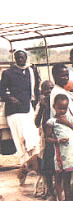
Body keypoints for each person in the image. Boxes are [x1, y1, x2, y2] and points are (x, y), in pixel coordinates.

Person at [0, 49, 41, 183]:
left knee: (31, 139)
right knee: (20, 140)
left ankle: (29, 165)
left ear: (26, 57)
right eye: (18, 58)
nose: (21, 60)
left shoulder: (31, 71)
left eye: (23, 57)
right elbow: (2, 91)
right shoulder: (8, 73)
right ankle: (24, 166)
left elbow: (36, 89)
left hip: (28, 109)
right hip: (14, 111)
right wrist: (10, 98)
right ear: (15, 58)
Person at [46, 94, 73, 201]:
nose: (63, 111)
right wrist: (58, 140)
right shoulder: (51, 122)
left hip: (70, 156)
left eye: (65, 108)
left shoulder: (70, 120)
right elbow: (47, 138)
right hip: (60, 155)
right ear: (54, 107)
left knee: (67, 178)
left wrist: (68, 123)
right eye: (60, 108)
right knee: (58, 178)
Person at [34, 80, 56, 201]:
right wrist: (43, 107)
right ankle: (50, 192)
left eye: (51, 88)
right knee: (47, 167)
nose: (49, 91)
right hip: (47, 140)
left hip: (58, 139)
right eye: (46, 89)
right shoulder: (42, 104)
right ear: (42, 91)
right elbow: (37, 123)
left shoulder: (58, 101)